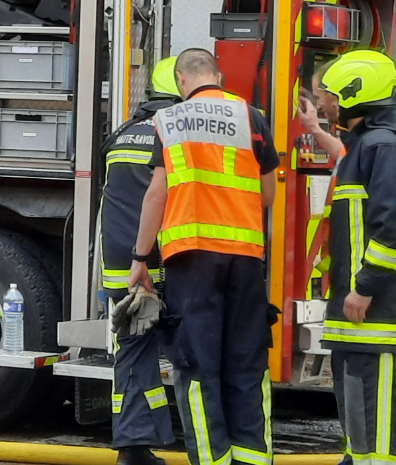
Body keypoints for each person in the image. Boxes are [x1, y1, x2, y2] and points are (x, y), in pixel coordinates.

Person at [128, 48, 282, 465]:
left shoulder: (170, 121)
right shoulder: (252, 116)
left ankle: (212, 460)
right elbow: (267, 195)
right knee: (247, 365)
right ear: (218, 75)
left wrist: (141, 258)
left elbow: (157, 194)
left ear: (181, 80)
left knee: (197, 367)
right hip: (246, 259)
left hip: (191, 259)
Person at [312, 50, 396, 465]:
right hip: (357, 310)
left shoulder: (382, 145)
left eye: (328, 95)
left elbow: (391, 222)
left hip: (376, 309)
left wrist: (366, 287)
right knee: (358, 417)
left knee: (375, 422)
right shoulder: (364, 145)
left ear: (352, 96)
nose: (323, 104)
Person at [101, 57, 181, 465]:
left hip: (122, 271)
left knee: (131, 355)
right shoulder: (178, 137)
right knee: (192, 354)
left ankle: (132, 449)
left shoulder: (122, 135)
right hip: (164, 265)